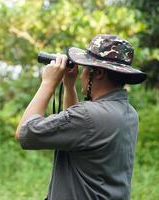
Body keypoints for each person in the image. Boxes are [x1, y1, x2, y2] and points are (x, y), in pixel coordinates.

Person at [15, 34, 147, 200]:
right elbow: (77, 133)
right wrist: (69, 86)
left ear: (98, 73)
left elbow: (25, 133)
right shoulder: (129, 113)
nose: (82, 74)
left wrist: (48, 83)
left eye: (85, 68)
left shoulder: (88, 116)